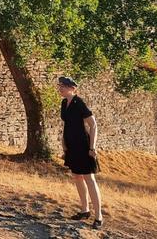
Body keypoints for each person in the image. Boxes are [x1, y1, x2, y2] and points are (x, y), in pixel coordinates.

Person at [58, 76, 103, 229]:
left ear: (72, 88)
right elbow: (66, 125)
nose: (60, 88)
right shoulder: (64, 103)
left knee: (89, 179)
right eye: (60, 86)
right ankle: (85, 210)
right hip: (71, 146)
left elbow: (93, 125)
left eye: (63, 86)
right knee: (77, 177)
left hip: (84, 146)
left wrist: (92, 147)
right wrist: (64, 145)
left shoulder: (79, 102)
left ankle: (98, 217)